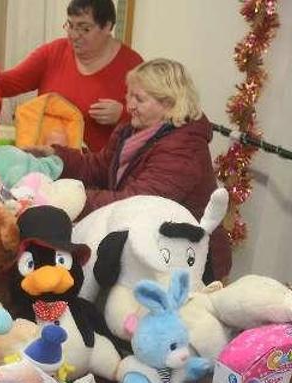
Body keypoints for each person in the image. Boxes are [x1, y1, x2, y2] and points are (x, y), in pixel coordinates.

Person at [29, 58, 232, 281]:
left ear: (168, 104)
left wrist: (69, 198)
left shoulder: (184, 148)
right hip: (151, 249)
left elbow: (135, 201)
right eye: (129, 94)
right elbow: (98, 167)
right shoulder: (132, 131)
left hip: (186, 261)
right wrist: (56, 157)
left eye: (139, 99)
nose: (129, 105)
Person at [0, 0, 143, 151]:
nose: (74, 35)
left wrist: (122, 115)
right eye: (71, 25)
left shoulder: (132, 66)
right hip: (48, 161)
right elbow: (9, 83)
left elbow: (154, 122)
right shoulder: (54, 52)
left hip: (101, 168)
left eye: (84, 29)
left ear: (107, 27)